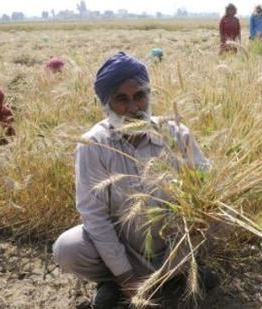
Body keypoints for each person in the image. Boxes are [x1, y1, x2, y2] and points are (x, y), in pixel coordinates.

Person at [52, 52, 218, 309]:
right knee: (67, 249)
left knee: (223, 218)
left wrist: (200, 207)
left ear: (149, 96)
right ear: (106, 105)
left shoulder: (175, 133)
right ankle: (114, 280)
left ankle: (179, 271)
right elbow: (94, 216)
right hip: (124, 248)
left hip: (173, 245)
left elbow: (205, 182)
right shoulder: (93, 145)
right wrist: (126, 277)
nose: (134, 108)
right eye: (122, 99)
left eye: (140, 96)